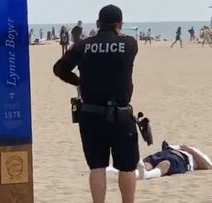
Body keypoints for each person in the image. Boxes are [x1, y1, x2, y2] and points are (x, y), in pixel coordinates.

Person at [53, 5, 139, 203]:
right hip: (121, 113)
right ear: (120, 24)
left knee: (97, 166)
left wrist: (79, 82)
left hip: (91, 113)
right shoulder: (129, 43)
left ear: (98, 23)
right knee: (127, 166)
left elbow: (59, 69)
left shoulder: (83, 45)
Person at [107, 140, 212, 180]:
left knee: (165, 164)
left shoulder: (203, 156)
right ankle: (134, 172)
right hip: (166, 152)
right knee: (148, 163)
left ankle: (146, 175)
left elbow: (207, 166)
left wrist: (189, 149)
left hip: (180, 159)